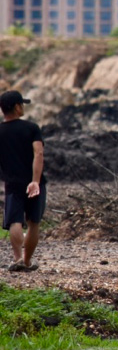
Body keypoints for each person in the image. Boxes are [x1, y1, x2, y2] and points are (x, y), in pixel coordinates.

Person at [0, 90, 46, 272]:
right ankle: (27, 261)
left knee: (14, 221)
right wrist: (35, 180)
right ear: (17, 107)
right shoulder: (31, 128)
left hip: (12, 183)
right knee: (33, 222)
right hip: (35, 182)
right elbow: (39, 153)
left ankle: (17, 258)